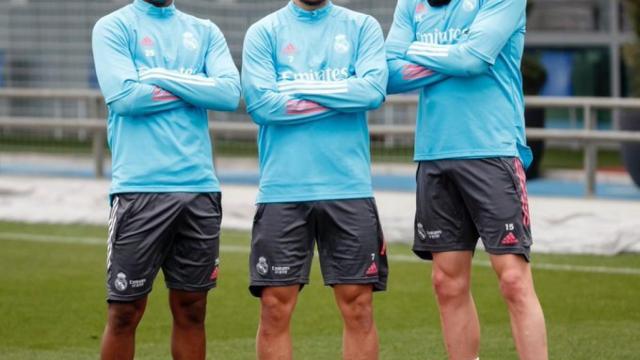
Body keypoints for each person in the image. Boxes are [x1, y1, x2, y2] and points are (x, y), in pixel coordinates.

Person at [385, 0, 548, 359]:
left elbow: (473, 59)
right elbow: (389, 73)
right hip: (434, 154)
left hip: (492, 150)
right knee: (446, 283)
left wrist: (415, 51)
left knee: (512, 280)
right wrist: (457, 58)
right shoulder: (410, 3)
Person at [92, 0, 240, 358]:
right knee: (125, 311)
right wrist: (194, 88)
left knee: (193, 308)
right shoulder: (113, 27)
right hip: (139, 189)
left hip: (199, 190)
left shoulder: (205, 30)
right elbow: (125, 97)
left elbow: (228, 93)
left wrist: (155, 77)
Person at [242, 1, 389, 359]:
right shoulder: (264, 32)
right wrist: (342, 94)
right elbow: (263, 106)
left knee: (359, 306)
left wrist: (295, 92)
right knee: (275, 307)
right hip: (282, 191)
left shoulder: (363, 27)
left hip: (348, 189)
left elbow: (371, 92)